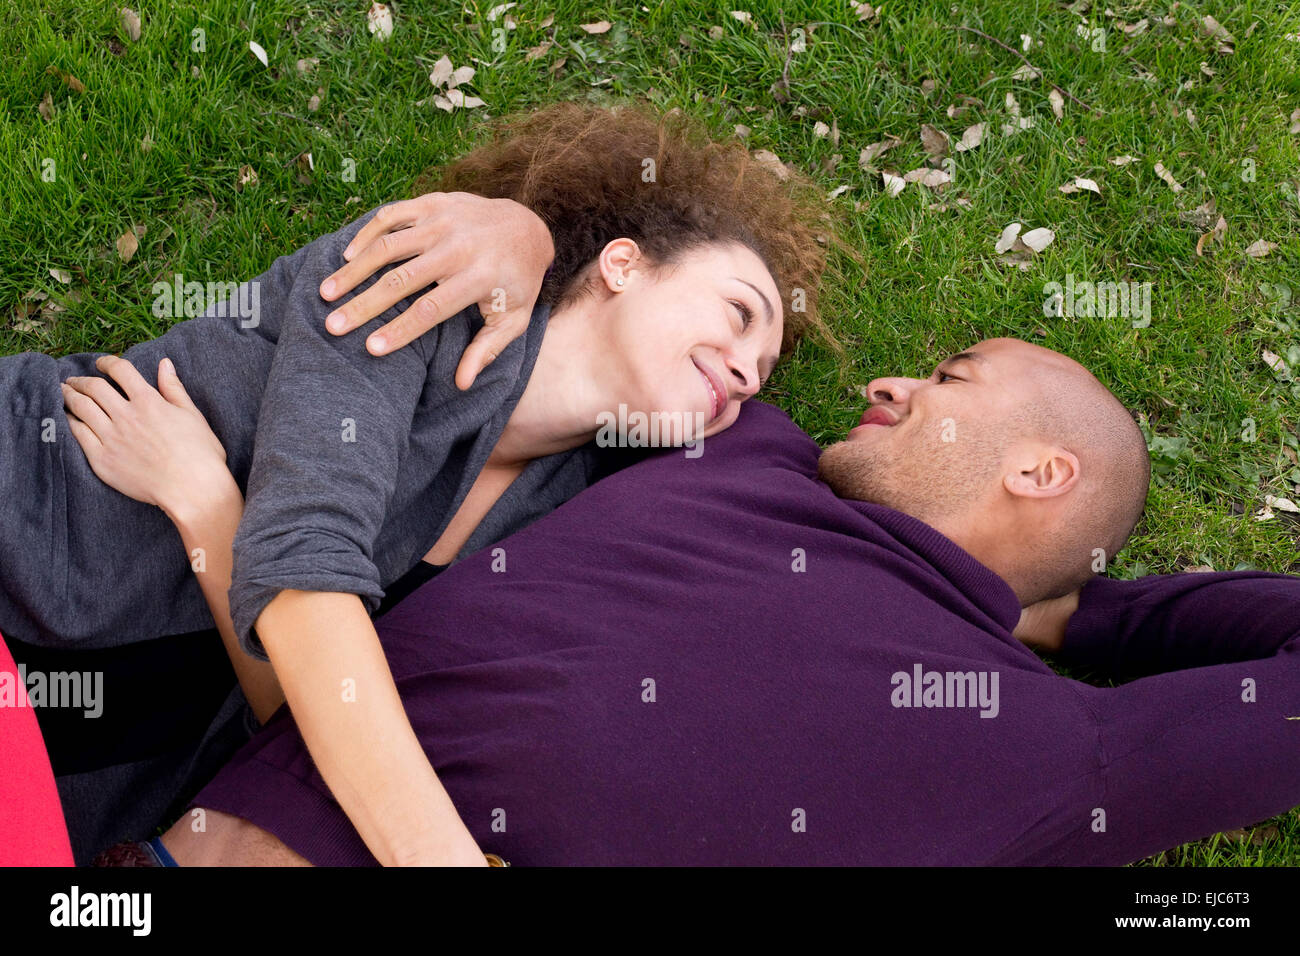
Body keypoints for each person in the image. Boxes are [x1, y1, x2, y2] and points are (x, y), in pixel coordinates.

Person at [0, 101, 838, 864]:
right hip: (32, 527)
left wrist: (207, 505)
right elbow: (303, 568)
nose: (746, 371)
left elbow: (308, 729)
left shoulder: (563, 520)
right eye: (738, 314)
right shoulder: (429, 279)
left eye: (762, 369)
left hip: (89, 773)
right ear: (624, 265)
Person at [101, 337, 1298, 866]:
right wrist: (509, 225)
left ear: (1040, 471)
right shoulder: (747, 449)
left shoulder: (1058, 750)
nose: (891, 379)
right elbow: (607, 310)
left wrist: (1075, 608)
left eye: (949, 377)